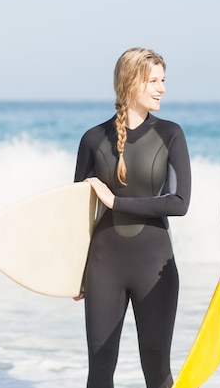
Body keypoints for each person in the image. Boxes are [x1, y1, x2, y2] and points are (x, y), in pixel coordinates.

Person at [74, 47, 191, 388]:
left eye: (163, 80)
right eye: (153, 80)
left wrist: (116, 202)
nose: (162, 88)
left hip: (154, 268)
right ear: (130, 82)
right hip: (102, 268)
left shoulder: (170, 134)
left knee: (157, 371)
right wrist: (71, 270)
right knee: (99, 371)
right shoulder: (93, 139)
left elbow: (179, 203)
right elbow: (77, 215)